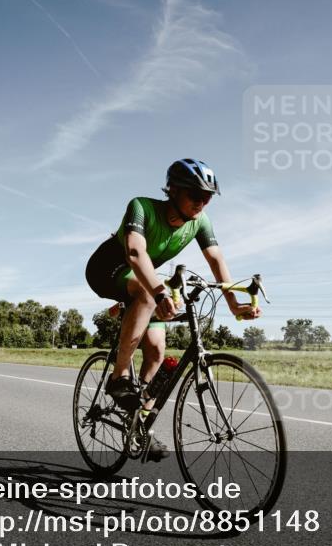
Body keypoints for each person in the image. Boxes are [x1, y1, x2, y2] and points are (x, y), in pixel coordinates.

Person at [85, 159, 261, 460]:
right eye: (195, 194)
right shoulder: (141, 206)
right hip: (108, 269)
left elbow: (217, 261)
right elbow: (135, 253)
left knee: (156, 350)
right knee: (148, 293)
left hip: (142, 280)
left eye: (208, 197)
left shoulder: (200, 222)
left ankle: (138, 425)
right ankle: (118, 379)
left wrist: (233, 303)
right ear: (174, 191)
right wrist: (158, 291)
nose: (202, 202)